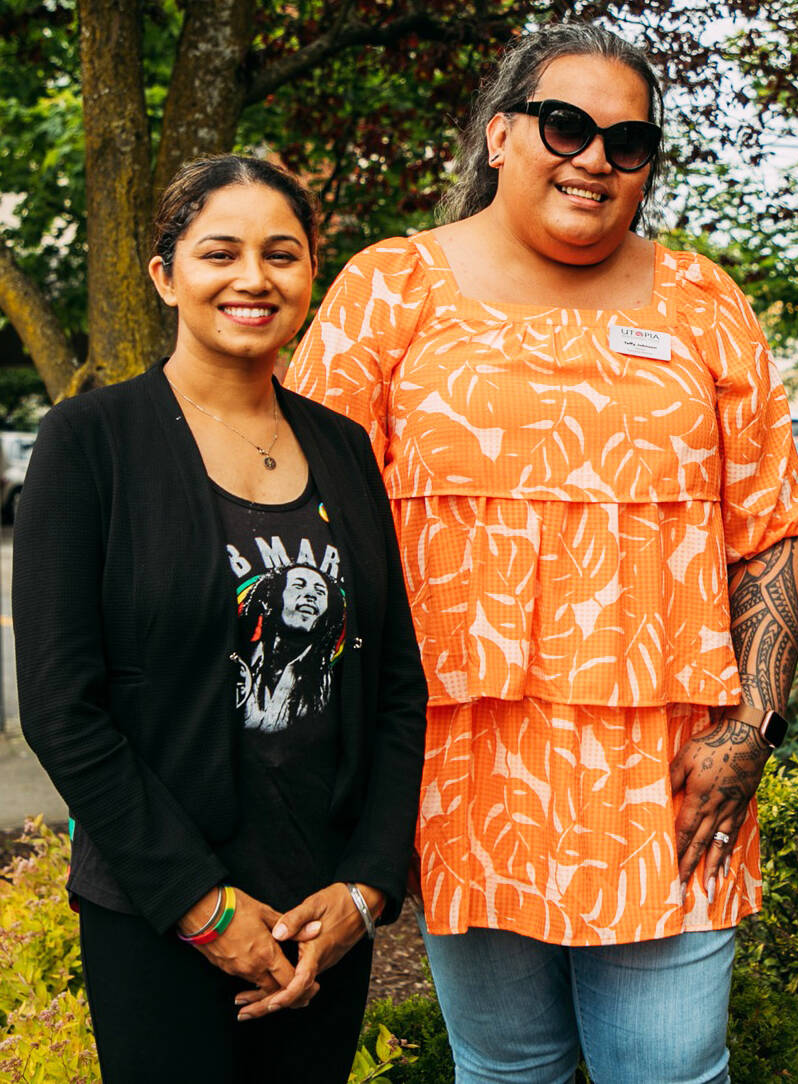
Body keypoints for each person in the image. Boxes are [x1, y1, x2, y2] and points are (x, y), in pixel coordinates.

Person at [285, 22, 798, 1084]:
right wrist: (353, 783)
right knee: (506, 1074)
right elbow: (310, 535)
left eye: (629, 142)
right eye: (565, 124)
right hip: (460, 776)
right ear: (498, 132)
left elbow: (772, 526)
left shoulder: (704, 303)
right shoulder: (391, 291)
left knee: (669, 1071)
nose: (595, 158)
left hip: (667, 782)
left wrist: (750, 726)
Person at [14, 154, 427, 1083]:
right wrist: (200, 905)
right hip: (160, 908)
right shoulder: (90, 444)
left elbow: (397, 683)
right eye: (218, 253)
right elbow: (61, 707)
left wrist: (367, 884)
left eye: (282, 254)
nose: (253, 278)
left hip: (323, 911)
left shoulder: (344, 447)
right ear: (165, 275)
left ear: (310, 272)